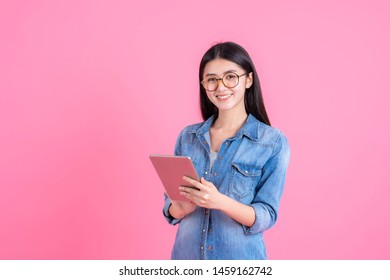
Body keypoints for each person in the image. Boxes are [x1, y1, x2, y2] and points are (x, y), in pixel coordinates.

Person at [162, 41, 290, 260]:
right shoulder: (188, 137)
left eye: (230, 77)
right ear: (204, 85)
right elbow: (170, 207)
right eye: (212, 80)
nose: (221, 87)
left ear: (248, 79)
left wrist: (220, 202)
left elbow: (266, 215)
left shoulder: (272, 142)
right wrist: (179, 208)